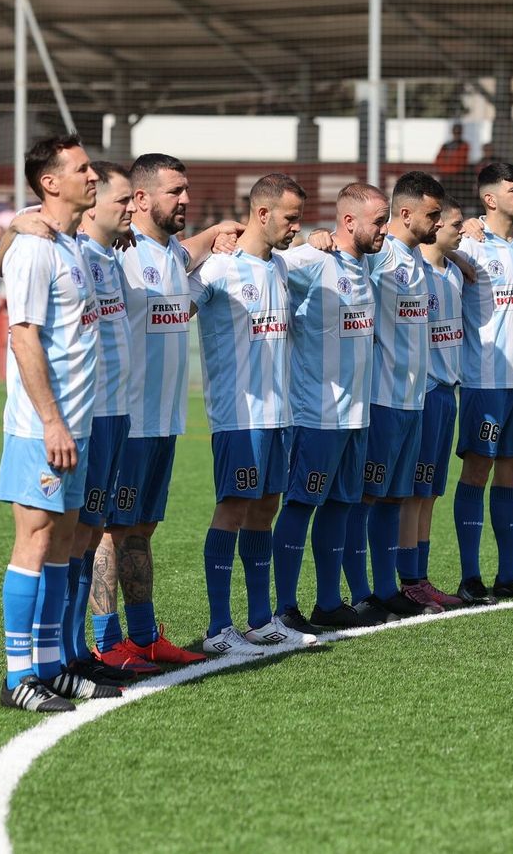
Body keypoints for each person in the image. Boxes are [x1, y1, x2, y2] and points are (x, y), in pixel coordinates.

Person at [84, 153, 237, 669]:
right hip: (127, 419)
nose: (185, 199)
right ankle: (107, 642)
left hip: (165, 419)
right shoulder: (120, 252)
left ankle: (145, 636)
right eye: (175, 191)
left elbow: (184, 267)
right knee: (110, 531)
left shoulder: (171, 252)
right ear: (142, 199)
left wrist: (215, 232)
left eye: (186, 190)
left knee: (142, 528)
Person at [0, 133, 113, 713]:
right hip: (42, 426)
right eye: (83, 169)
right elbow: (23, 337)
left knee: (65, 542)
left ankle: (51, 666)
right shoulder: (35, 250)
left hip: (76, 424)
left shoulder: (69, 246)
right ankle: (18, 676)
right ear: (50, 182)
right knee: (35, 541)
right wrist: (50, 421)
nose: (93, 177)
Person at [190, 174, 319, 652]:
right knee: (232, 509)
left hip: (279, 414)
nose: (295, 226)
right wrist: (206, 246)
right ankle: (218, 629)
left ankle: (261, 620)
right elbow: (172, 305)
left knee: (264, 511)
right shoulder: (218, 268)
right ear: (262, 214)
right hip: (238, 415)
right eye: (290, 217)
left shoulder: (281, 269)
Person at [273, 182, 388, 631]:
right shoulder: (314, 259)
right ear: (347, 222)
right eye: (378, 221)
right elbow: (268, 261)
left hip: (356, 415)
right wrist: (305, 238)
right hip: (316, 413)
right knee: (301, 504)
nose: (384, 228)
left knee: (340, 505)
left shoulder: (368, 264)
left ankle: (327, 602)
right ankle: (284, 606)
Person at [450, 162, 513, 603]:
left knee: (512, 473)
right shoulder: (467, 241)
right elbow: (425, 246)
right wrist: (456, 242)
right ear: (490, 199)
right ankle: (470, 577)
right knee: (477, 473)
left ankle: (510, 574)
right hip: (483, 381)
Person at [360, 171, 448, 618]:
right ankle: (363, 592)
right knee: (370, 498)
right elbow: (338, 250)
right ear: (406, 211)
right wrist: (318, 236)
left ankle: (390, 586)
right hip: (382, 396)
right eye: (432, 214)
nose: (439, 222)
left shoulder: (416, 260)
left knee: (396, 497)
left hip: (415, 398)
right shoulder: (379, 255)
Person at [413, 197, 467, 609]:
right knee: (413, 490)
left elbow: (474, 266)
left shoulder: (455, 273)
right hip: (424, 390)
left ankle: (421, 575)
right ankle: (408, 577)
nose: (463, 231)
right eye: (455, 225)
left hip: (449, 391)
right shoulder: (411, 271)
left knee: (430, 492)